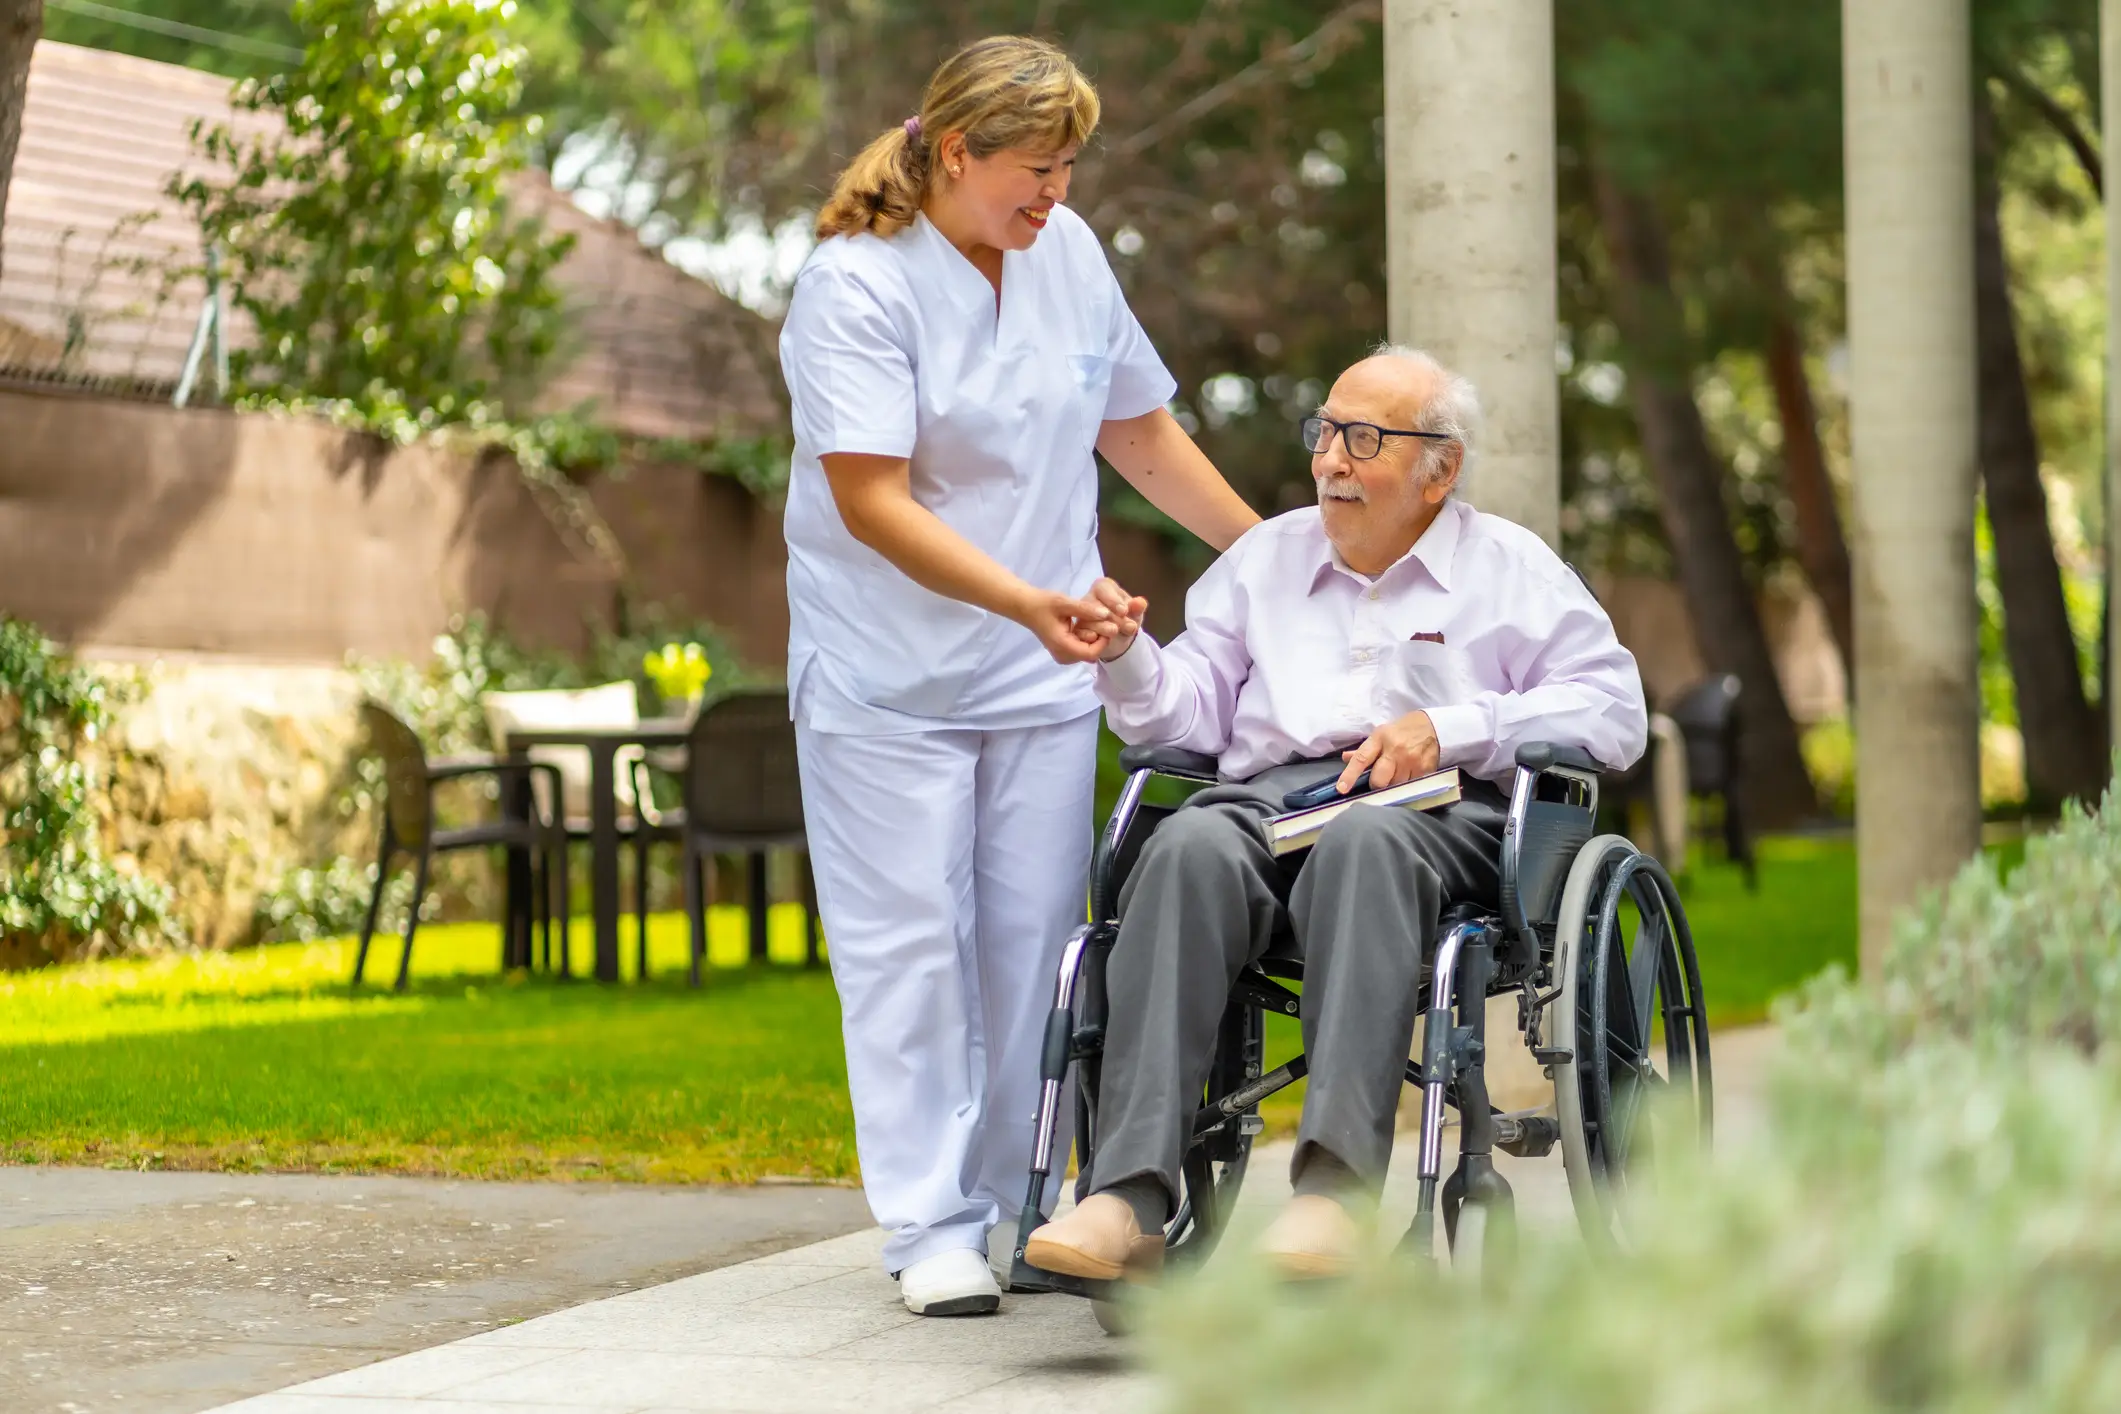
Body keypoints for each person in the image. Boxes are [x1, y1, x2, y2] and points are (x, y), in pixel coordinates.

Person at [778, 35, 1258, 1316]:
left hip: (1046, 675)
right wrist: (1027, 597)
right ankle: (930, 1224)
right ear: (955, 153)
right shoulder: (855, 287)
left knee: (1036, 948)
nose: (1055, 195)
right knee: (907, 953)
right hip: (889, 677)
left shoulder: (1071, 255)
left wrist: (1279, 562)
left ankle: (1024, 1201)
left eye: (1067, 171)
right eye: (1035, 170)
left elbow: (1139, 431)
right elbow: (872, 500)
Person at [1022, 347, 1647, 1282]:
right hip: (1272, 802)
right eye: (1326, 432)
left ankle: (1330, 1196)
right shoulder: (1263, 560)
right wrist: (1126, 656)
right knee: (1186, 844)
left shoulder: (1509, 567)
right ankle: (1126, 1196)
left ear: (1439, 471)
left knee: (1368, 838)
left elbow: (1613, 711)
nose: (1330, 461)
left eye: (1364, 439)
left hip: (1441, 817)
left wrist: (1452, 727)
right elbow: (1187, 715)